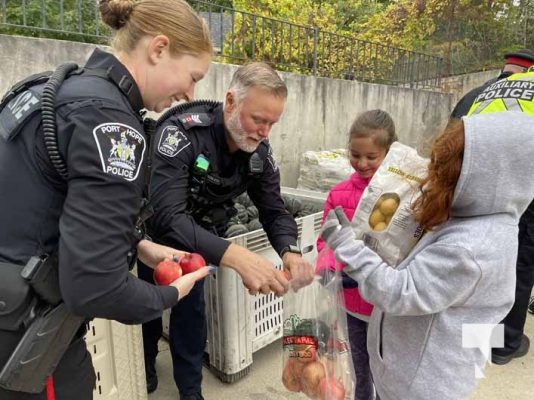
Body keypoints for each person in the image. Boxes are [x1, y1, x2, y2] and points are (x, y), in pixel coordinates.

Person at [0, 1, 213, 399]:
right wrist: (170, 295)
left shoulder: (57, 89)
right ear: (159, 48)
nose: (190, 93)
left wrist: (137, 244)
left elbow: (42, 204)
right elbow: (95, 287)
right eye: (192, 76)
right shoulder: (111, 124)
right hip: (24, 342)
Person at [319, 111, 534, 400]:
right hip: (422, 368)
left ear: (483, 176)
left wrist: (348, 246)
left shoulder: (470, 247)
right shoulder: (486, 217)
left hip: (419, 385)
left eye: (445, 172)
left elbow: (401, 292)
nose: (433, 177)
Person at [138, 61, 315, 399]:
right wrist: (235, 256)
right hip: (158, 232)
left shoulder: (259, 153)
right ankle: (147, 359)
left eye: (272, 123)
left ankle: (190, 391)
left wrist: (289, 250)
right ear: (231, 102)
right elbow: (166, 217)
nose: (264, 131)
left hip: (203, 233)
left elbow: (274, 209)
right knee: (150, 301)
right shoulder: (182, 134)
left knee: (191, 310)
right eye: (258, 120)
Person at [456, 60, 534, 365]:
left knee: (481, 265)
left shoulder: (484, 91)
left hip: (471, 184)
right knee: (519, 266)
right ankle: (504, 344)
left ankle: (472, 338)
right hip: (521, 190)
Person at [316, 109, 397, 400]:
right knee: (360, 368)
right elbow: (325, 242)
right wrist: (329, 268)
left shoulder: (402, 195)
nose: (361, 163)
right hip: (351, 304)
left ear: (389, 153)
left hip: (388, 308)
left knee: (388, 370)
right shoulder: (338, 194)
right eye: (355, 154)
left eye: (371, 157)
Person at [450, 49, 534, 119]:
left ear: (503, 69)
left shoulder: (473, 94)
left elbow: (452, 130)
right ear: (529, 73)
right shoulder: (530, 92)